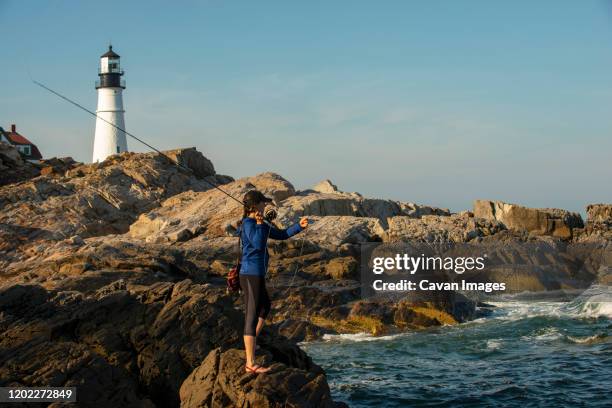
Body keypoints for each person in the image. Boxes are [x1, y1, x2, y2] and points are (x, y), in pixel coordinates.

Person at [239, 189, 308, 374]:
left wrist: (299, 226)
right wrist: (261, 224)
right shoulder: (248, 223)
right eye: (263, 203)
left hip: (257, 274)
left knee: (265, 307)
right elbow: (258, 243)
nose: (265, 205)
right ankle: (250, 363)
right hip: (249, 274)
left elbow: (282, 234)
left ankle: (253, 342)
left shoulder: (261, 223)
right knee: (252, 314)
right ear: (255, 206)